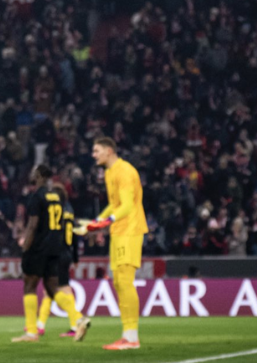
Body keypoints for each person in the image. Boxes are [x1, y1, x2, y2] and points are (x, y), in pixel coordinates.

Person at [13, 166, 91, 343]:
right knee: (52, 288)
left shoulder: (36, 196)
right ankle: (78, 318)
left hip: (39, 247)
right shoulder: (56, 197)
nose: (31, 175)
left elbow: (33, 225)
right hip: (55, 248)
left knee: (30, 285)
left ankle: (31, 332)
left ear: (39, 175)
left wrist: (25, 247)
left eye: (33, 172)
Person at [88, 137, 148, 351]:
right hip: (118, 231)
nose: (94, 155)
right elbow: (114, 205)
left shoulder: (125, 171)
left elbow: (127, 206)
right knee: (118, 282)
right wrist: (97, 221)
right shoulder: (109, 172)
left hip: (130, 230)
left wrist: (107, 221)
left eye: (97, 151)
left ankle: (132, 337)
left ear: (109, 151)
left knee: (125, 281)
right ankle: (126, 335)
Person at [35, 189, 86, 337]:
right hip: (67, 253)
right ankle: (44, 325)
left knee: (51, 290)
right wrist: (75, 257)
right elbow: (74, 236)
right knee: (63, 289)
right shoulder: (69, 211)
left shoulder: (55, 212)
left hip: (56, 254)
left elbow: (50, 234)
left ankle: (77, 320)